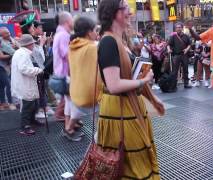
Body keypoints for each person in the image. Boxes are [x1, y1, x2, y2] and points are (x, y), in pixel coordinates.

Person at [97, 0, 165, 178]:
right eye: (126, 8)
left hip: (128, 109)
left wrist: (153, 99)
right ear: (114, 13)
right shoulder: (108, 42)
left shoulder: (119, 41)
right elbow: (114, 85)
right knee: (131, 165)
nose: (130, 12)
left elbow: (130, 78)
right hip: (120, 111)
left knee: (134, 162)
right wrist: (145, 81)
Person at [53, 12, 83, 141]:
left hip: (61, 74)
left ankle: (69, 126)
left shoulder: (59, 34)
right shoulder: (64, 35)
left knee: (69, 102)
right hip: (67, 74)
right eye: (72, 20)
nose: (74, 23)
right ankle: (69, 129)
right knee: (74, 102)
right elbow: (68, 55)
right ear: (67, 22)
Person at [11, 34, 43, 135]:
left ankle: (31, 121)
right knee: (28, 105)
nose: (33, 45)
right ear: (29, 44)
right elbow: (23, 68)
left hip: (25, 83)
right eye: (32, 43)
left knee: (33, 103)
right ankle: (24, 127)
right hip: (25, 84)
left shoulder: (21, 52)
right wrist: (37, 70)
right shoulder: (23, 54)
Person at [168, 22, 192, 89]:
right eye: (177, 27)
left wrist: (187, 49)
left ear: (182, 28)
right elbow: (168, 44)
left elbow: (189, 44)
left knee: (185, 69)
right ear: (175, 29)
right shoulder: (173, 36)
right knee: (174, 71)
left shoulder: (186, 36)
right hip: (176, 55)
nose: (178, 29)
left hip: (184, 55)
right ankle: (173, 85)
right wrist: (169, 49)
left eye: (179, 27)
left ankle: (186, 84)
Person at [0, 27, 17, 110]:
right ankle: (10, 103)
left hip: (10, 66)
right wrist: (13, 53)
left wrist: (14, 48)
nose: (9, 34)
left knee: (3, 85)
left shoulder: (12, 40)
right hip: (2, 67)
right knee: (8, 84)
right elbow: (1, 56)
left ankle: (3, 103)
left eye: (9, 32)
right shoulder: (0, 42)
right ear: (1, 35)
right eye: (6, 33)